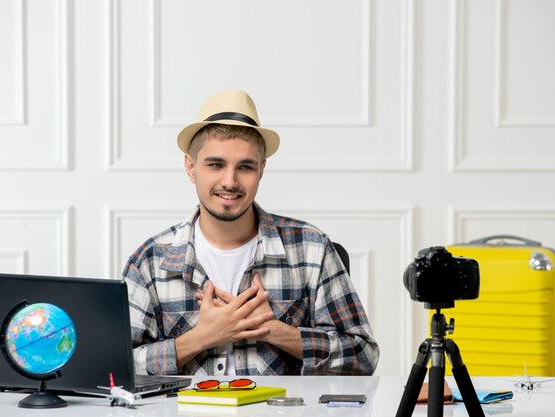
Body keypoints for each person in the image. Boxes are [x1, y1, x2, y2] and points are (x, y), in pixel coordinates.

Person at [122, 89, 379, 376]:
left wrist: (273, 330)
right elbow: (115, 367)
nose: (230, 181)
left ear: (262, 169)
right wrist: (199, 338)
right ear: (191, 167)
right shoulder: (149, 261)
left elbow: (363, 356)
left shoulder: (312, 248)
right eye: (216, 164)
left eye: (245, 167)